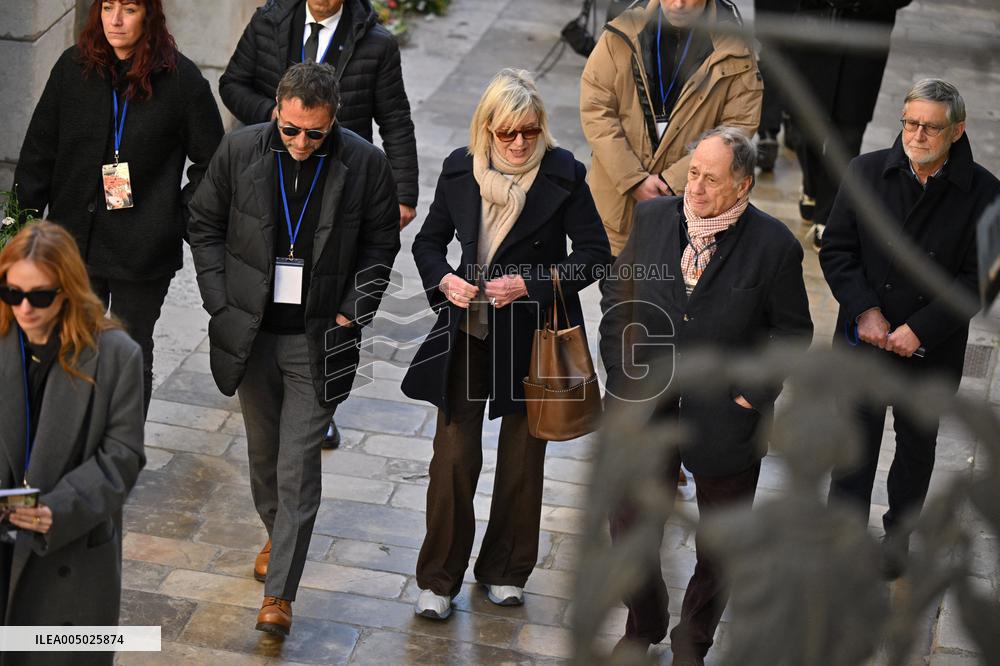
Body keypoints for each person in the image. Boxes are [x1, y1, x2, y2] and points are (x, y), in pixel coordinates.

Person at [188, 61, 400, 636]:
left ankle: (280, 595)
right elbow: (202, 222)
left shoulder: (365, 164)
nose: (301, 142)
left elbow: (383, 243)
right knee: (263, 459)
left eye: (315, 133)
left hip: (317, 338)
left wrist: (353, 310)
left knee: (297, 464)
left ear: (333, 122)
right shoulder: (239, 152)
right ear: (277, 112)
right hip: (251, 335)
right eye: (291, 130)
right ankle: (279, 535)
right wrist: (220, 301)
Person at [401, 69, 611, 620]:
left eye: (530, 130)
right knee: (451, 456)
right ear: (486, 129)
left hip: (533, 336)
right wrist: (444, 279)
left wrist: (531, 284)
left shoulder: (564, 173)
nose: (520, 142)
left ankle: (505, 570)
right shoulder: (458, 171)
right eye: (507, 132)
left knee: (522, 456)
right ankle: (438, 580)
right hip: (468, 330)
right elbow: (427, 243)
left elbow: (594, 252)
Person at [599, 128, 813, 663]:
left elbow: (792, 333)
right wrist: (620, 366)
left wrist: (752, 395)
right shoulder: (652, 219)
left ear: (742, 186)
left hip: (725, 416)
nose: (695, 186)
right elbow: (616, 291)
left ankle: (693, 640)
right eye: (693, 172)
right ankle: (643, 620)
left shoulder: (774, 247)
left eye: (710, 178)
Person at [821, 79, 1000, 578]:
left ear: (957, 131)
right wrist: (865, 311)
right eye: (910, 123)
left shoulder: (987, 194)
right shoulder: (864, 171)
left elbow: (979, 280)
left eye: (930, 127)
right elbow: (837, 250)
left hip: (930, 350)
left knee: (916, 449)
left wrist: (919, 330)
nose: (917, 135)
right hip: (863, 340)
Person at [220, 0, 417, 450]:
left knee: (327, 292)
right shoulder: (270, 21)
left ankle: (315, 407)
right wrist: (278, 124)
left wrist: (402, 191)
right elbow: (232, 84)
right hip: (273, 179)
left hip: (340, 189)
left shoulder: (375, 41)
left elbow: (394, 117)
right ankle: (267, 384)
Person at [13, 0, 224, 413]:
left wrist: (175, 218)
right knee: (70, 348)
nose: (115, 20)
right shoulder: (72, 69)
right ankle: (71, 452)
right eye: (107, 6)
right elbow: (38, 153)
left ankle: (120, 458)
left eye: (128, 8)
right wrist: (21, 231)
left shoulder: (181, 81)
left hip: (143, 252)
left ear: (149, 14)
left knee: (129, 353)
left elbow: (215, 164)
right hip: (73, 244)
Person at [0, 222, 145, 662]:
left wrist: (57, 509)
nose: (24, 308)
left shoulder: (117, 355)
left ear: (67, 290)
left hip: (69, 550)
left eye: (40, 296)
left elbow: (123, 457)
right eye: (12, 293)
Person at [580, 0, 762, 259]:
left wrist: (670, 183)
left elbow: (738, 126)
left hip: (692, 217)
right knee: (617, 298)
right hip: (618, 208)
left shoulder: (735, 48)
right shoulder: (621, 33)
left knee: (680, 296)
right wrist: (633, 179)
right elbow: (595, 108)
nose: (678, 3)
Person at [788, 0, 911, 248]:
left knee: (849, 133)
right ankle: (811, 184)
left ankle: (828, 214)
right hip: (815, 33)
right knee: (804, 128)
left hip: (863, 42)